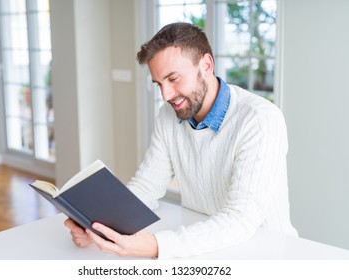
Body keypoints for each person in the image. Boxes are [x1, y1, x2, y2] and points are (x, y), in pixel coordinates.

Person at [64, 22, 298, 259]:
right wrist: (99, 225)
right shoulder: (168, 116)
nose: (166, 95)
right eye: (159, 84)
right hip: (204, 250)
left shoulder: (259, 119)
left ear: (206, 65)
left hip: (267, 254)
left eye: (173, 79)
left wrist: (157, 246)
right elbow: (147, 186)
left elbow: (240, 218)